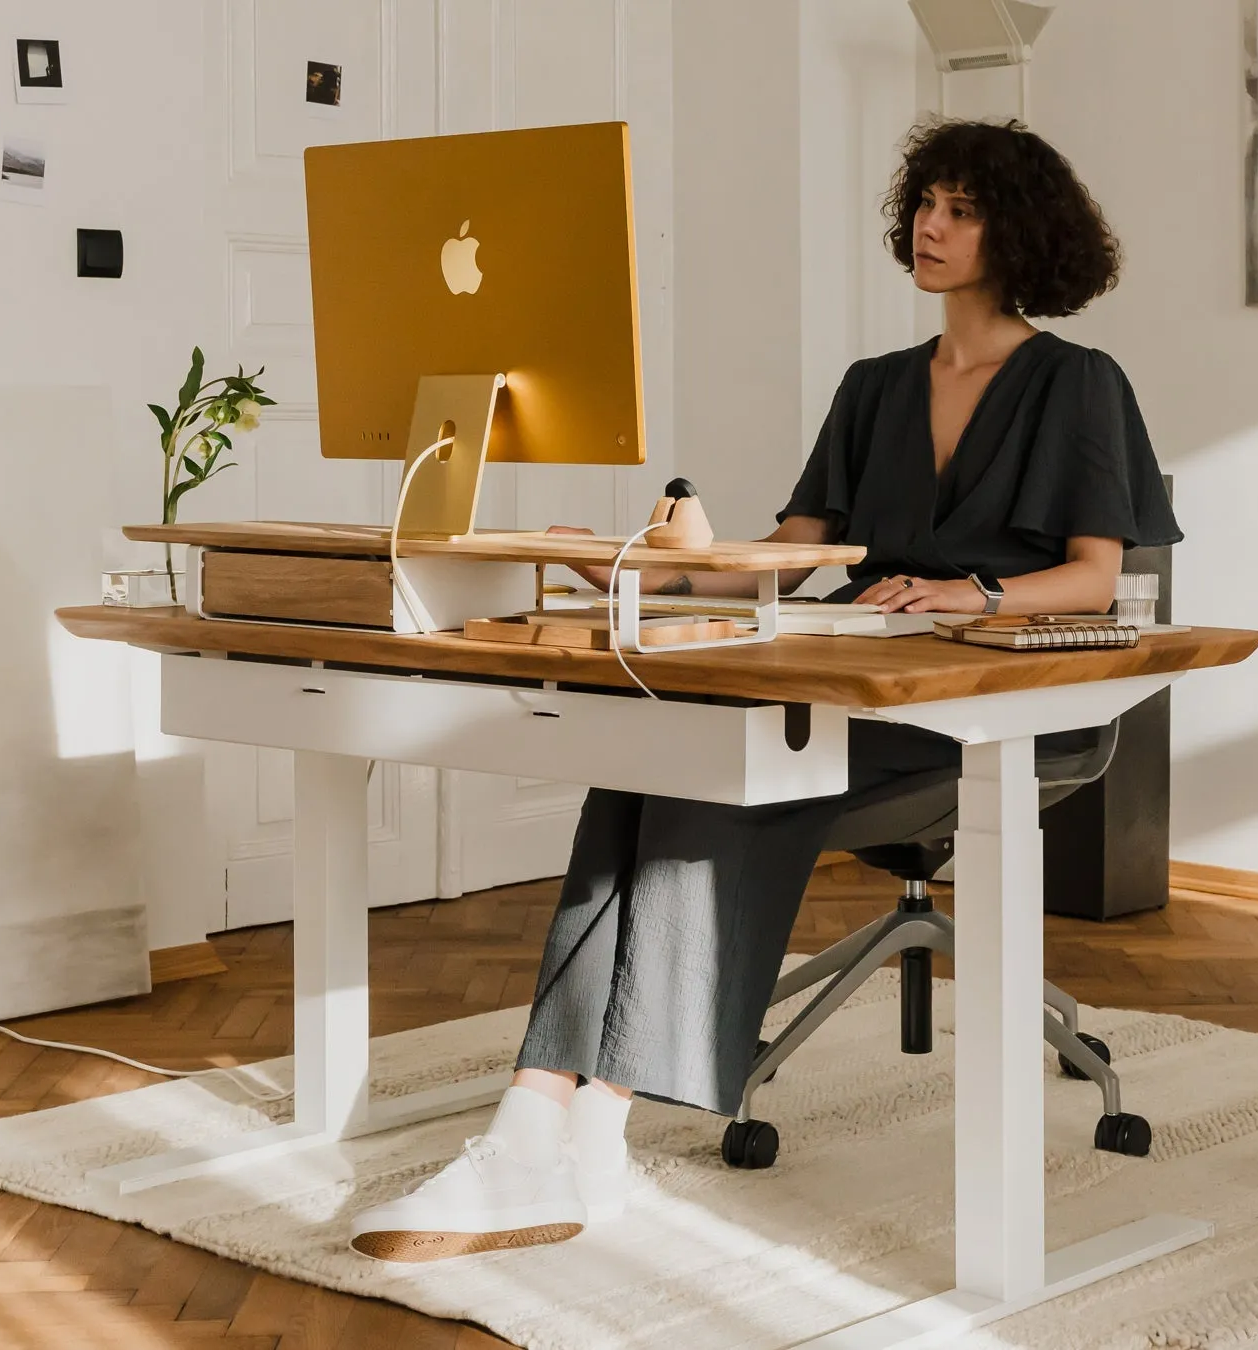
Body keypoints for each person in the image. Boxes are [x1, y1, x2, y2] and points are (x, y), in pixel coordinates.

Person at [349, 117, 1182, 1263]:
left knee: (709, 786)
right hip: (847, 684)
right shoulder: (874, 386)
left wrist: (972, 595)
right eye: (924, 205)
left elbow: (1097, 572)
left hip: (978, 712)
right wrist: (639, 560)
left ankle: (566, 1131)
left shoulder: (1078, 384)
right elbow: (793, 547)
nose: (931, 227)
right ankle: (559, 1133)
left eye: (962, 208)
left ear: (1019, 230)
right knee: (647, 769)